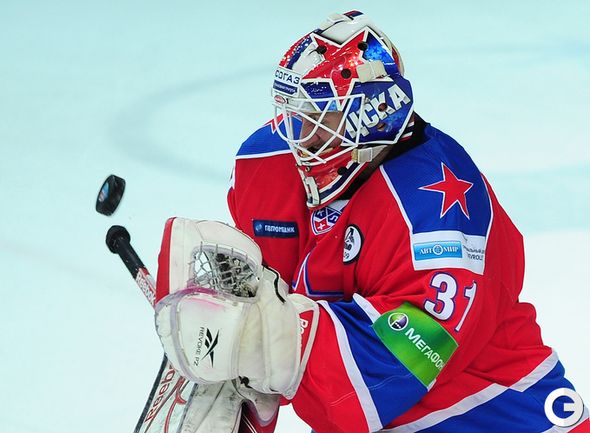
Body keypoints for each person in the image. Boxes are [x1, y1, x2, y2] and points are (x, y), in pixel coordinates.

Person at [154, 11, 590, 433]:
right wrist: (233, 355)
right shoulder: (268, 162)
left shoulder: (437, 216)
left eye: (320, 117)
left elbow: (391, 372)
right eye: (296, 115)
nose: (301, 137)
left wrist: (269, 344)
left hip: (497, 411)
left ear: (373, 114)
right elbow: (268, 289)